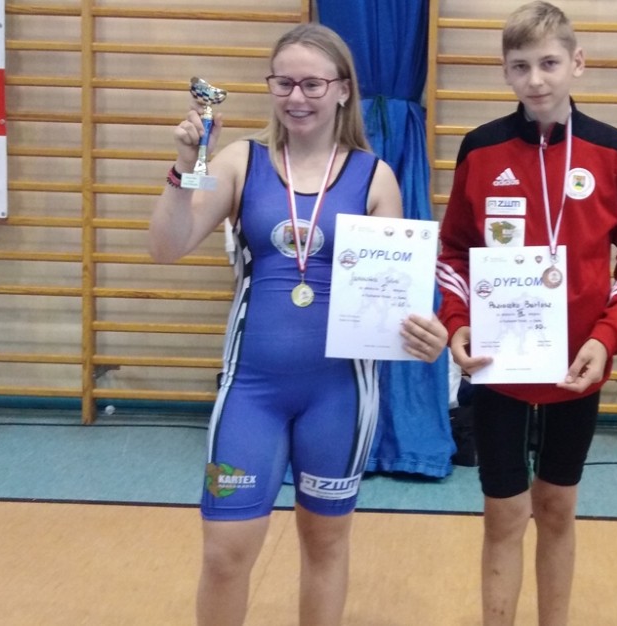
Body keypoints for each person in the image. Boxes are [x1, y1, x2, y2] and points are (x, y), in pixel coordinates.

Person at [148, 23, 447, 626]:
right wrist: (184, 166)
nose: (297, 97)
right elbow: (166, 246)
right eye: (283, 83)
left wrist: (427, 333)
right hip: (251, 392)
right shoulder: (241, 161)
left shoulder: (374, 177)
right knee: (225, 553)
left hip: (339, 394)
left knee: (325, 546)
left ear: (343, 90)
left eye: (313, 83)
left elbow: (399, 297)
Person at [435, 2, 617, 624]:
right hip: (498, 364)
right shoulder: (480, 149)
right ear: (505, 72)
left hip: (576, 365)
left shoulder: (613, 152)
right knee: (504, 512)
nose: (535, 79)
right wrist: (457, 322)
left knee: (558, 506)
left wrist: (608, 336)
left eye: (548, 63)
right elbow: (453, 251)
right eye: (520, 66)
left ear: (577, 63)